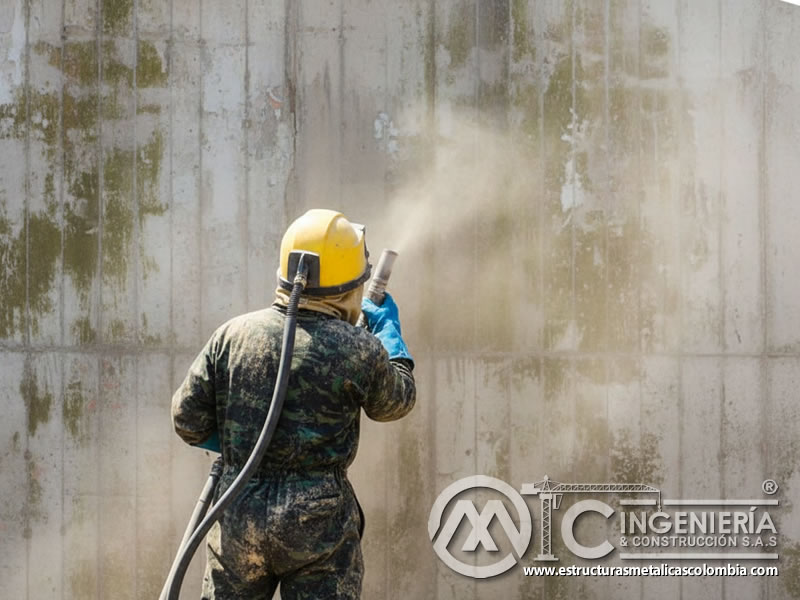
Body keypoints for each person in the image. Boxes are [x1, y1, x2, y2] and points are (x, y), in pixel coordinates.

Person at [171, 209, 416, 600]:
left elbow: (187, 420)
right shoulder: (359, 349)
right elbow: (395, 403)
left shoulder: (232, 335)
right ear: (348, 288)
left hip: (238, 513)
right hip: (318, 523)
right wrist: (388, 336)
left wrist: (243, 445)